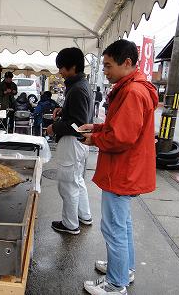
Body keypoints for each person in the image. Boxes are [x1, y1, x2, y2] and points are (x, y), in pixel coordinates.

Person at [80, 39, 158, 295]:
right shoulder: (133, 88)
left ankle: (116, 284)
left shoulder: (132, 92)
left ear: (127, 63)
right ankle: (124, 270)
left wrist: (95, 138)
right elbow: (119, 127)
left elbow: (122, 137)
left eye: (108, 65)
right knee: (122, 225)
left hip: (122, 171)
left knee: (114, 228)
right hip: (128, 169)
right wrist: (98, 127)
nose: (105, 70)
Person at [46, 47, 94, 235]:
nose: (60, 72)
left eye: (62, 68)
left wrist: (54, 127)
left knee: (67, 184)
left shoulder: (77, 89)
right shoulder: (80, 85)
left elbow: (78, 123)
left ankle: (70, 224)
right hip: (80, 143)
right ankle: (84, 215)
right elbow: (76, 115)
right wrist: (62, 110)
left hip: (73, 142)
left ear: (73, 67)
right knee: (77, 181)